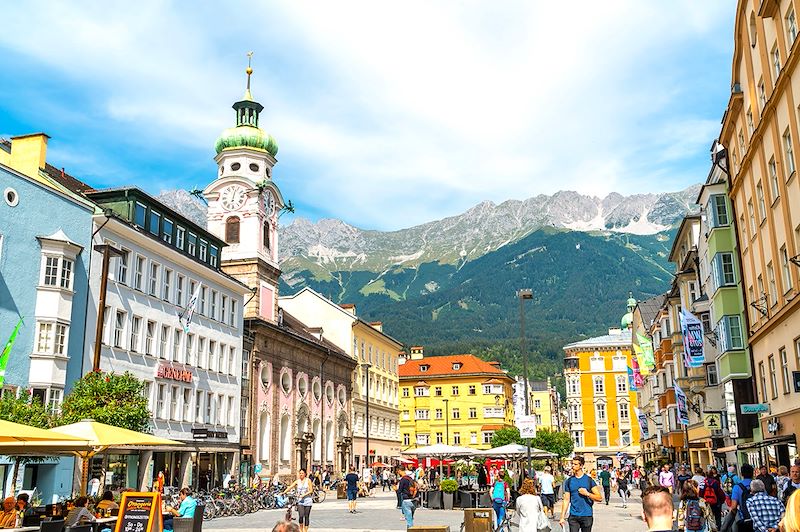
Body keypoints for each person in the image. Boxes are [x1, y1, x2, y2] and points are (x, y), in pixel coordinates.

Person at [559, 456, 603, 532]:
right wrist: (562, 517)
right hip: (573, 516)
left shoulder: (589, 480)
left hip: (586, 515)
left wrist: (587, 494)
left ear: (581, 466)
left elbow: (599, 498)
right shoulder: (569, 481)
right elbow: (566, 500)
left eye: (575, 464)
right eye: (572, 464)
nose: (573, 466)